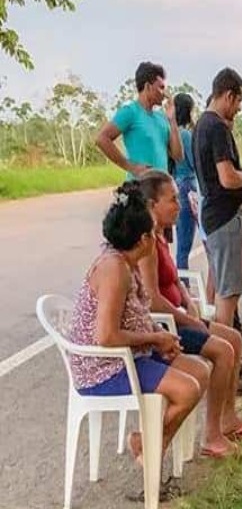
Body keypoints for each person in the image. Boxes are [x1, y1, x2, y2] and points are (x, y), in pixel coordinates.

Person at [67, 182, 207, 472]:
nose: (157, 239)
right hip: (104, 367)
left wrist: (160, 337)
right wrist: (156, 339)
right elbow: (106, 336)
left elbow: (135, 314)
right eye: (153, 234)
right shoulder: (114, 269)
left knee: (199, 372)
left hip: (127, 354)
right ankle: (148, 447)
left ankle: (150, 446)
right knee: (187, 390)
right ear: (143, 239)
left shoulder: (125, 261)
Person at [137, 171, 242, 456]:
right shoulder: (146, 245)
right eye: (172, 200)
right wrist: (188, 319)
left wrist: (190, 305)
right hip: (166, 325)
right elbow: (152, 300)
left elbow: (174, 281)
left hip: (180, 316)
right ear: (152, 205)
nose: (179, 206)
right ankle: (211, 434)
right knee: (222, 350)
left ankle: (227, 418)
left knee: (234, 338)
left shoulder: (160, 237)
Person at [193, 68, 242, 333]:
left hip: (215, 217)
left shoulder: (202, 125)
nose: (238, 109)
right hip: (224, 218)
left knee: (223, 290)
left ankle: (225, 353)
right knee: (228, 294)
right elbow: (227, 178)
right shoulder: (215, 127)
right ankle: (226, 357)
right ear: (228, 96)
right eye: (238, 102)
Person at [96, 61, 181, 178]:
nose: (165, 93)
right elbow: (101, 139)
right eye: (161, 88)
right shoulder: (130, 112)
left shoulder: (162, 117)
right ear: (148, 87)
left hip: (161, 191)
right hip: (140, 190)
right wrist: (130, 167)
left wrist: (172, 120)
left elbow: (178, 156)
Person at [171, 93, 198, 270]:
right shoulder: (186, 136)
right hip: (188, 186)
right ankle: (184, 285)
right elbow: (194, 163)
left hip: (175, 183)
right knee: (185, 243)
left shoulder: (171, 133)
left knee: (180, 242)